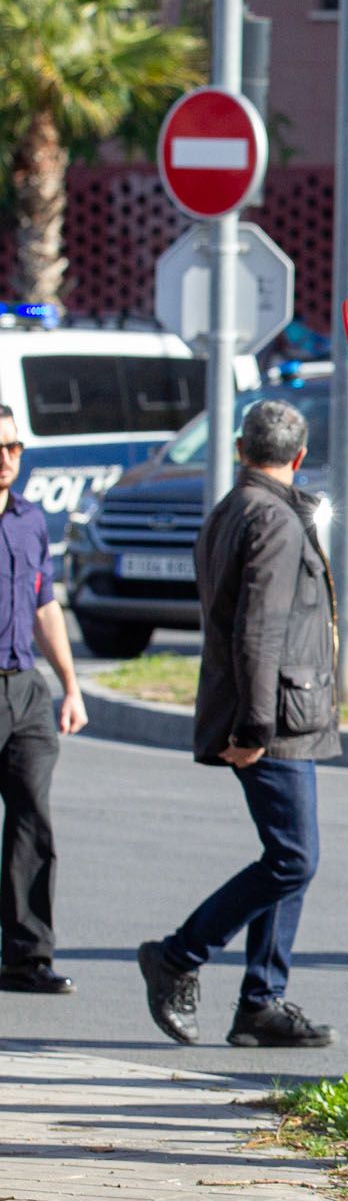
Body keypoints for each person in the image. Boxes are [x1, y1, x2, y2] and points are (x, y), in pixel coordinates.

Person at [137, 399, 339, 1047]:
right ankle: (179, 955)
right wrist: (253, 728)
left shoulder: (230, 510)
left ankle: (261, 1002)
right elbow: (257, 630)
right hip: (274, 717)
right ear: (299, 456)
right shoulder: (272, 519)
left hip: (275, 710)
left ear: (239, 449)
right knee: (295, 858)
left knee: (287, 855)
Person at [0, 405, 87, 995]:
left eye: (13, 447)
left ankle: (27, 957)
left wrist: (70, 685)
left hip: (25, 688)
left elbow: (44, 605)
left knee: (33, 819)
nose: (6, 459)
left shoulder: (29, 520)